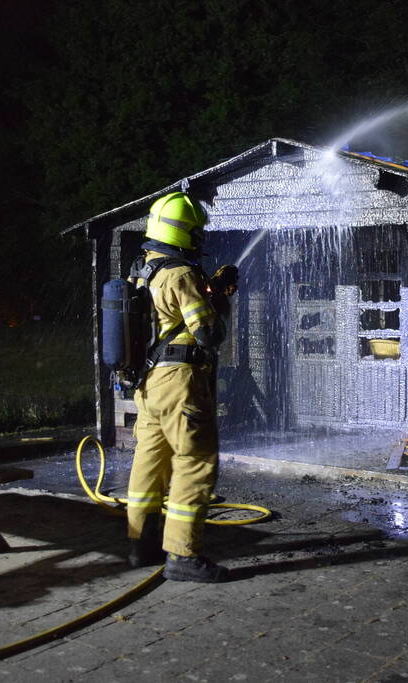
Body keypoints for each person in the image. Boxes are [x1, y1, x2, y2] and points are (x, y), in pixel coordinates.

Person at [125, 192, 238, 583]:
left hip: (147, 383)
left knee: (148, 462)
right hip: (179, 382)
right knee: (195, 461)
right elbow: (209, 334)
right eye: (194, 230)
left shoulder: (141, 270)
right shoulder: (181, 275)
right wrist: (220, 298)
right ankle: (183, 556)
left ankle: (140, 544)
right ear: (183, 231)